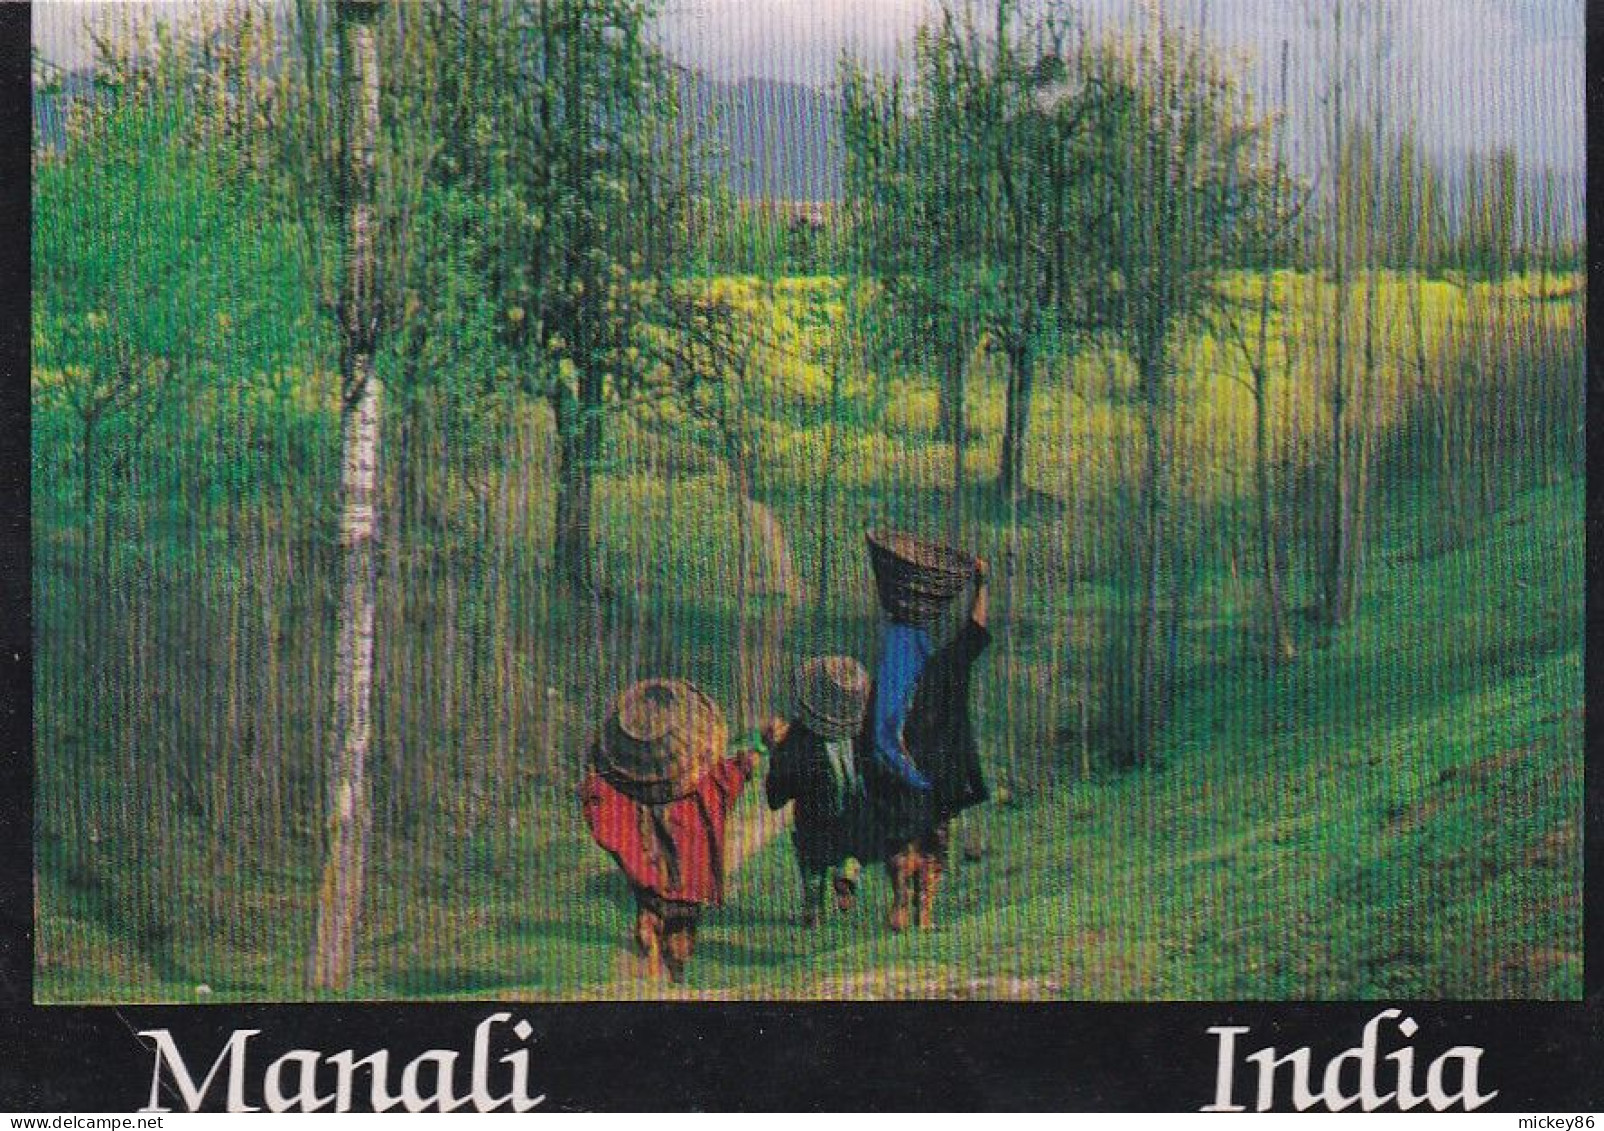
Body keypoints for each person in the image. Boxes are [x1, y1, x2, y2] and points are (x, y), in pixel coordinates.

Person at [580, 678, 757, 982]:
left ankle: (650, 929)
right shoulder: (705, 782)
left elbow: (600, 804)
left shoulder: (624, 786)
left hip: (651, 875)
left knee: (651, 901)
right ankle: (676, 965)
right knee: (683, 925)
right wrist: (753, 752)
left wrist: (594, 774)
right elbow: (734, 774)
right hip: (689, 883)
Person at [869, 556, 992, 931]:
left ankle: (901, 898)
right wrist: (981, 585)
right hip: (942, 776)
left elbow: (870, 734)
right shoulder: (945, 667)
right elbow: (975, 630)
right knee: (935, 840)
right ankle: (926, 909)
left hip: (898, 776)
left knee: (901, 840)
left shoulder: (886, 682)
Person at [762, 655, 876, 927]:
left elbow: (777, 794)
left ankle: (813, 906)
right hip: (851, 813)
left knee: (811, 857)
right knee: (853, 838)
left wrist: (773, 750)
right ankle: (848, 870)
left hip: (812, 818)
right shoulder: (859, 735)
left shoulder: (799, 738)